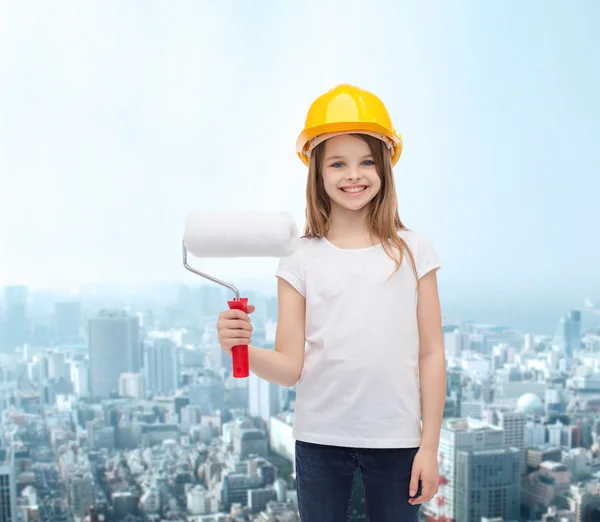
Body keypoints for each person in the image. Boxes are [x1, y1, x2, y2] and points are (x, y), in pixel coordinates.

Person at [217, 84, 446, 521]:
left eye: (366, 162)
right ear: (317, 173)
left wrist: (429, 446)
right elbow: (290, 367)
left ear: (384, 168)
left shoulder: (415, 250)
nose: (353, 175)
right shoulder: (299, 257)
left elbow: (432, 353)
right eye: (337, 163)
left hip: (398, 442)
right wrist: (239, 347)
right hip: (320, 442)